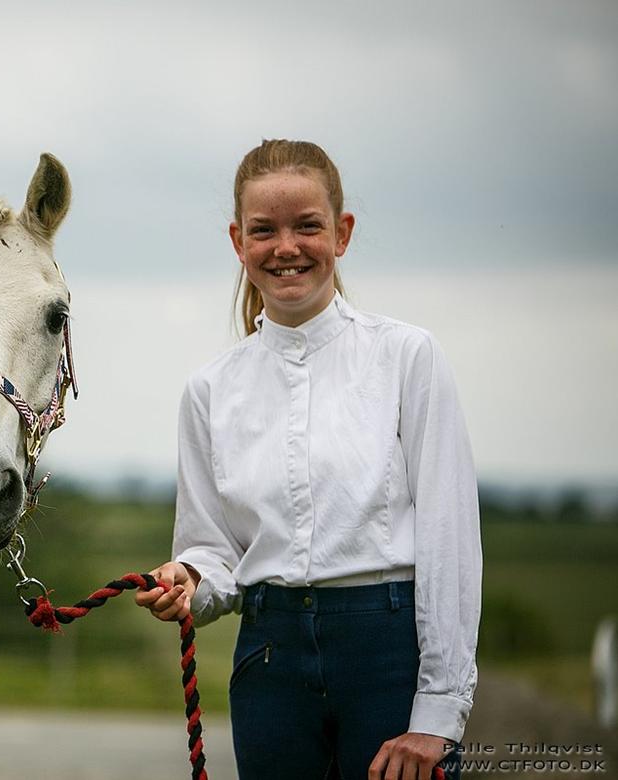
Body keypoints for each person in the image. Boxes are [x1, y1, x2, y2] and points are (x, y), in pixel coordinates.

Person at [135, 139, 481, 780]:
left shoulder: (408, 358)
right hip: (269, 663)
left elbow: (449, 539)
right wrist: (190, 581)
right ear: (238, 241)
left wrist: (437, 713)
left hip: (388, 658)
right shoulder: (208, 390)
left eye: (308, 226)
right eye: (263, 230)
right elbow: (215, 552)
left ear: (342, 233)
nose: (285, 246)